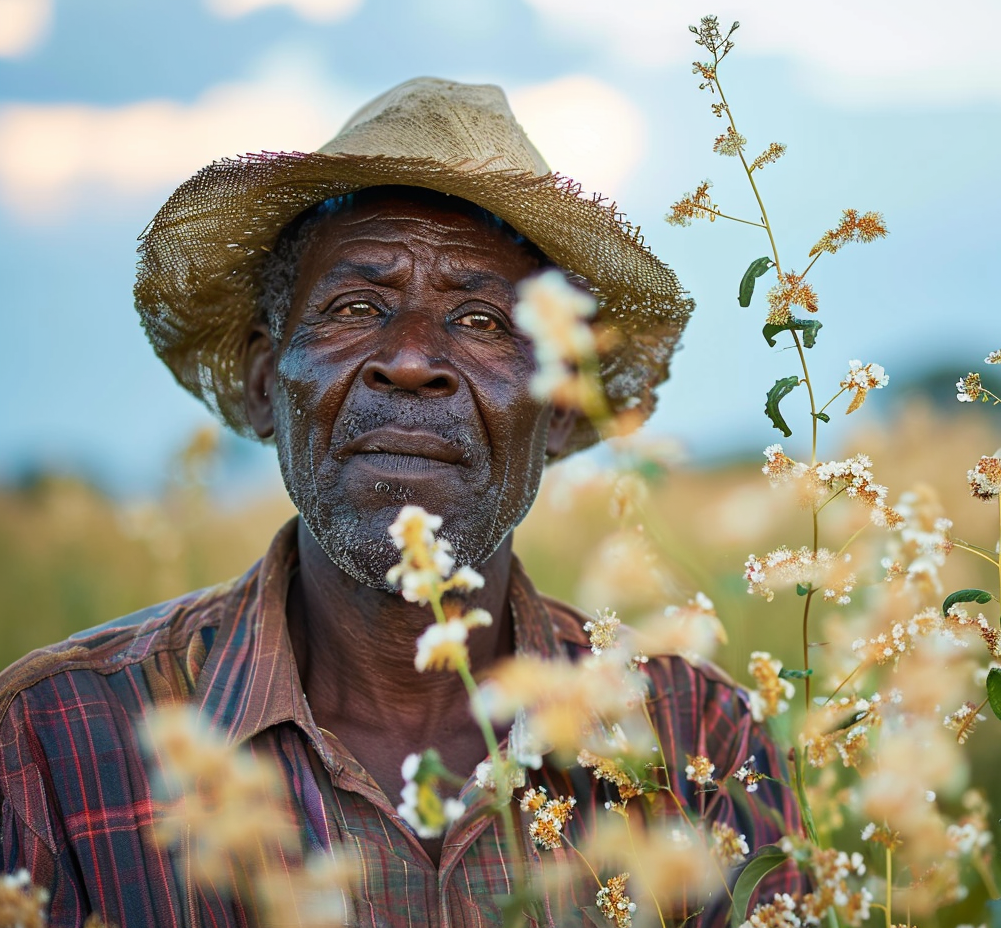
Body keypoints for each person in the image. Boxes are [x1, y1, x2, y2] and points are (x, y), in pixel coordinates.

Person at [0, 78, 799, 926]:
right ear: (266, 384)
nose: (413, 359)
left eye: (484, 321)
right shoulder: (51, 745)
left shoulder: (701, 742)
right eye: (356, 307)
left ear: (561, 407)